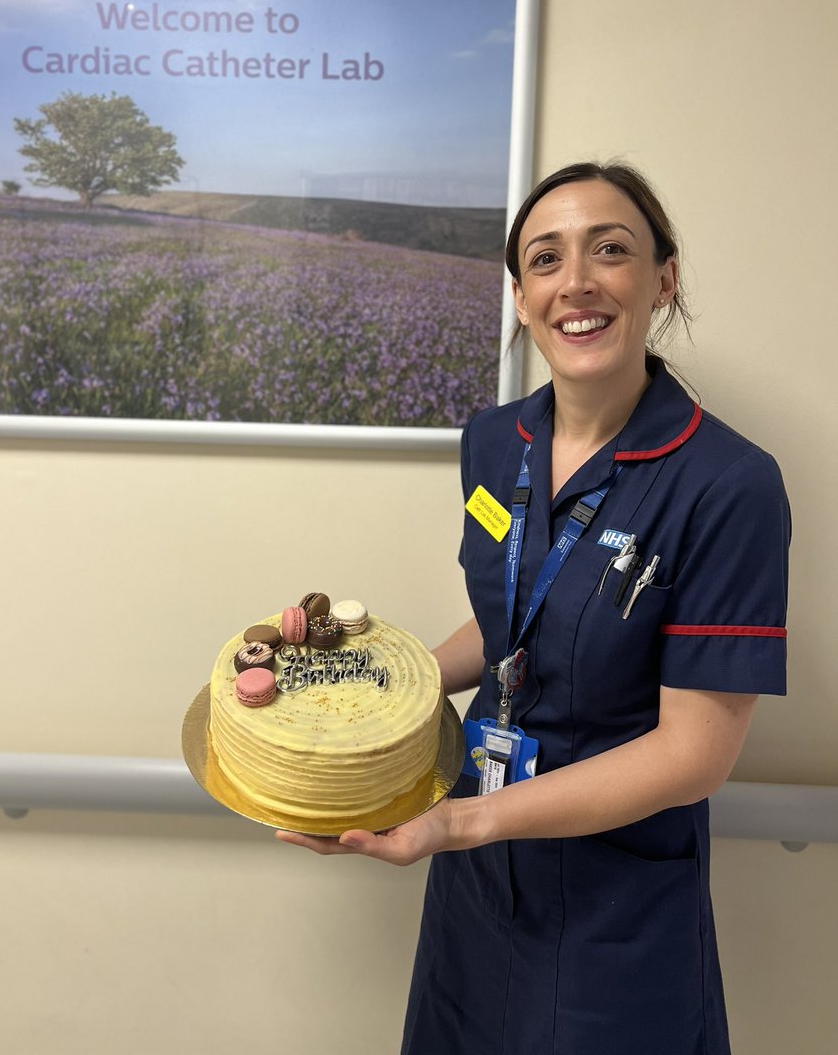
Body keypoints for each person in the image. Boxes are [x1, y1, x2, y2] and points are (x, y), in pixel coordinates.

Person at [277, 162, 790, 1054]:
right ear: (521, 298)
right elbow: (513, 618)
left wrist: (463, 819)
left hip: (613, 903)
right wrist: (377, 697)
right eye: (546, 260)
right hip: (474, 879)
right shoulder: (492, 441)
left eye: (612, 250)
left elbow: (694, 754)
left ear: (663, 279)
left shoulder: (728, 484)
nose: (577, 282)